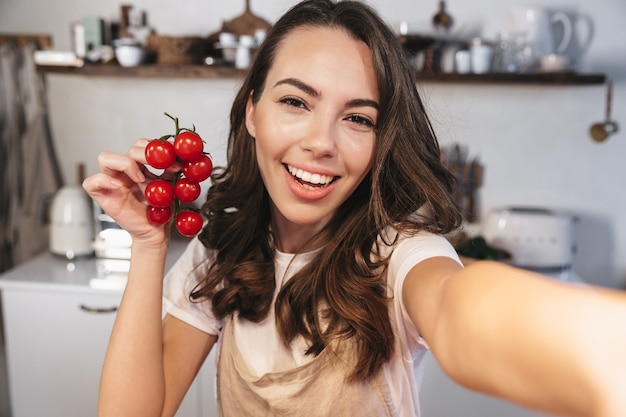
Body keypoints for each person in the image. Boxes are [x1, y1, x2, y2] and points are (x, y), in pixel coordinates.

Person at [82, 1, 626, 416]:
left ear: (381, 141)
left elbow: (460, 311)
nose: (322, 143)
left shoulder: (399, 256)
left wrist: (600, 345)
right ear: (252, 111)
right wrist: (148, 244)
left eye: (359, 118)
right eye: (296, 101)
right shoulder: (222, 250)